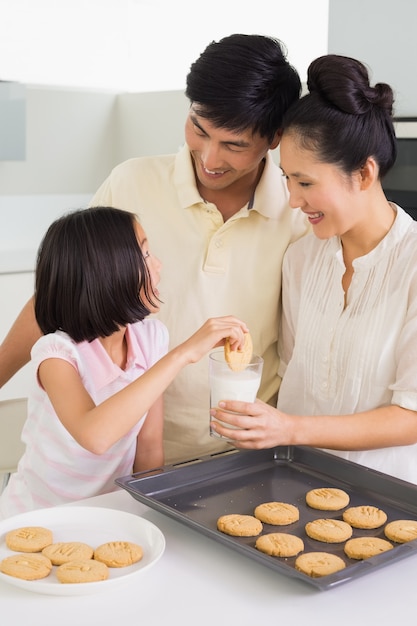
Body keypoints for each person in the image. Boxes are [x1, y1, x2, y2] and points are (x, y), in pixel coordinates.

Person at [0, 34, 308, 465]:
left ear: (274, 137)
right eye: (199, 129)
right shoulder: (131, 184)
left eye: (234, 145)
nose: (210, 158)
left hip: (240, 456)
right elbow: (63, 295)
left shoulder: (299, 214)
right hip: (119, 455)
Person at [210, 54, 417, 485]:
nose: (293, 200)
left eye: (305, 183)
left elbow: (411, 416)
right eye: (287, 179)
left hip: (387, 502)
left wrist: (288, 428)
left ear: (363, 174)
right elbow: (290, 372)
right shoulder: (301, 258)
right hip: (294, 485)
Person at [0, 207, 249, 518]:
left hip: (108, 515)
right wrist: (184, 354)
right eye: (145, 255)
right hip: (38, 517)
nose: (158, 264)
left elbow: (148, 449)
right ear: (107, 273)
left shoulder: (151, 339)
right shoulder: (56, 354)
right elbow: (95, 436)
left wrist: (152, 518)